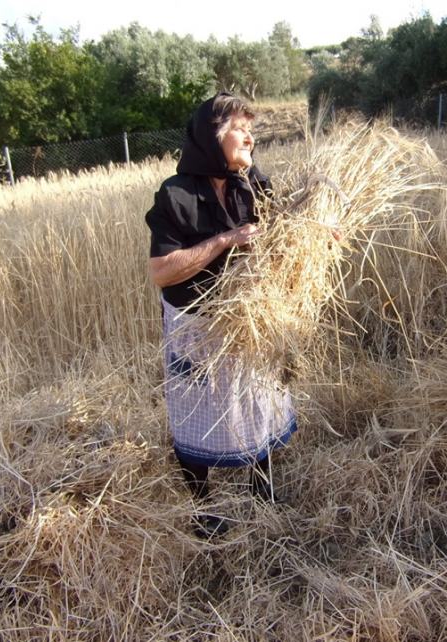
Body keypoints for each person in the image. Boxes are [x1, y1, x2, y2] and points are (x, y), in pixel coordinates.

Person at [145, 93, 297, 538]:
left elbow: (286, 224)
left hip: (247, 320)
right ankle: (204, 507)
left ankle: (262, 490)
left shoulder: (250, 182)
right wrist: (227, 239)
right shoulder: (176, 195)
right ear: (212, 138)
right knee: (196, 411)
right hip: (195, 323)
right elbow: (161, 271)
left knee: (256, 399)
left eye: (252, 128)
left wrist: (317, 231)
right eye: (239, 128)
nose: (250, 136)